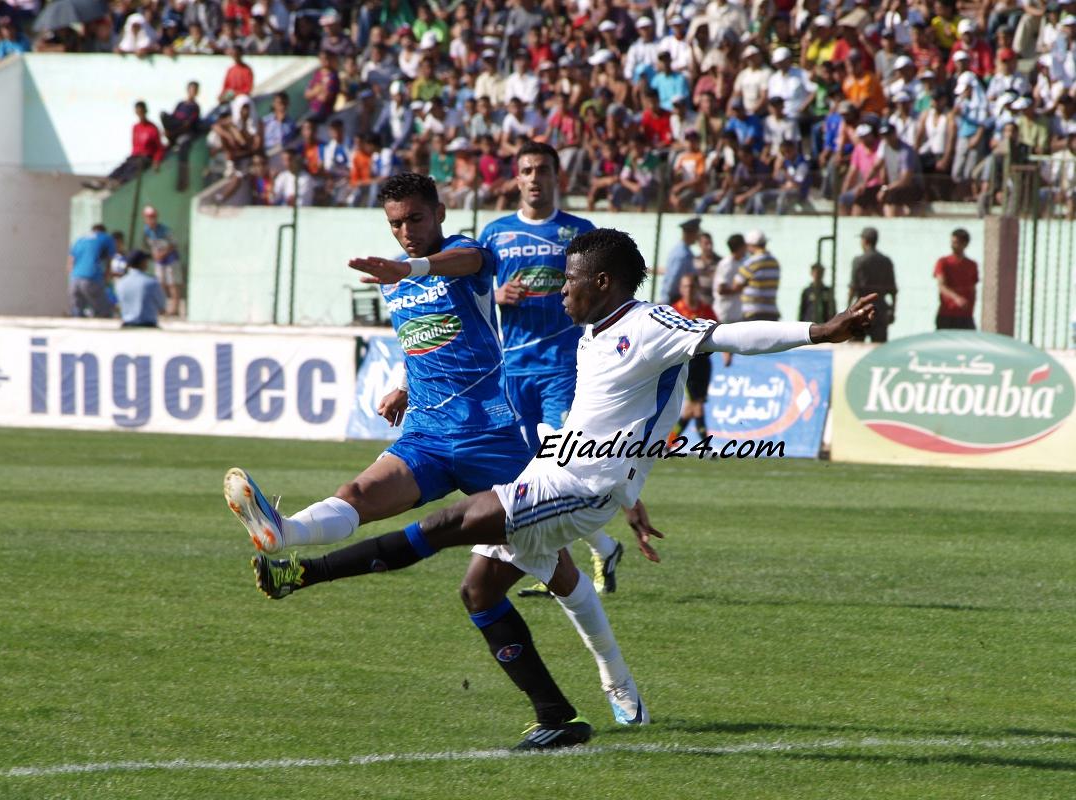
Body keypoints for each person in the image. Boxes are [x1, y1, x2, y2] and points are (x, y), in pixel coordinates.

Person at [237, 227, 876, 748]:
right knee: (479, 589)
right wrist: (633, 491)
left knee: (446, 525)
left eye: (568, 278)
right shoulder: (592, 334)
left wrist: (820, 332)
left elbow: (729, 335)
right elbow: (617, 421)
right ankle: (566, 713)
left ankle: (302, 573)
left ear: (602, 282)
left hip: (581, 487)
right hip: (562, 472)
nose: (558, 287)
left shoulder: (649, 323)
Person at [224, 174, 648, 750]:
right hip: (426, 434)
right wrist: (402, 382)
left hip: (493, 437)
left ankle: (615, 678)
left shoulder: (463, 256)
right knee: (360, 492)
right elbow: (424, 338)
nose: (405, 233)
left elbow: (471, 259)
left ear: (440, 212)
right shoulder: (392, 280)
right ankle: (284, 530)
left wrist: (414, 267)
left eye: (415, 220)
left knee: (552, 566)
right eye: (396, 224)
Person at [479, 142, 624, 598]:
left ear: (557, 176)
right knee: (525, 473)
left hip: (563, 367)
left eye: (542, 169)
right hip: (512, 369)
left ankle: (572, 560)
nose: (534, 177)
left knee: (561, 462)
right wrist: (498, 295)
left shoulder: (579, 232)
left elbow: (606, 293)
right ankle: (599, 547)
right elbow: (475, 294)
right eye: (526, 170)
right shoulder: (495, 233)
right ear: (516, 179)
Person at [669, 272, 718, 444]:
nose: (689, 289)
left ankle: (668, 443)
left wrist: (727, 351)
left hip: (704, 363)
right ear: (681, 289)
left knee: (692, 407)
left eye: (691, 286)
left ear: (697, 288)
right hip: (687, 363)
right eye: (685, 286)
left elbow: (718, 330)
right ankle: (706, 445)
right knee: (697, 405)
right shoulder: (675, 310)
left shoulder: (705, 310)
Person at [849, 227, 897, 341]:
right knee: (879, 348)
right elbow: (893, 291)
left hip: (862, 307)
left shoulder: (858, 260)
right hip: (880, 308)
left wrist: (849, 311)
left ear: (865, 241)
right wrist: (892, 310)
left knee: (855, 345)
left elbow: (853, 287)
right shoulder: (886, 261)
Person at [726, 229, 781, 321]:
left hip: (753, 312)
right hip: (771, 312)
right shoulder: (774, 262)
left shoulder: (751, 262)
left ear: (750, 245)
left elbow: (736, 285)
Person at [67, 224, 116, 318]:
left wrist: (72, 276)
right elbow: (109, 260)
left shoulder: (80, 240)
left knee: (77, 313)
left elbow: (70, 261)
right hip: (92, 277)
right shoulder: (106, 238)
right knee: (104, 312)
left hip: (74, 279)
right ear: (103, 231)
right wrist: (106, 277)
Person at [934, 227, 978, 329]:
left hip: (965, 316)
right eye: (952, 242)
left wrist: (971, 308)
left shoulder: (972, 265)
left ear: (965, 244)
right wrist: (956, 298)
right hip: (947, 314)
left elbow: (973, 288)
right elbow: (941, 286)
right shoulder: (943, 262)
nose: (953, 246)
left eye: (956, 243)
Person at [141, 206, 182, 317]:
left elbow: (173, 244)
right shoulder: (147, 230)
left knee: (173, 284)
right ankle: (162, 307)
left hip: (170, 258)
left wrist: (163, 254)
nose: (151, 219)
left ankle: (175, 309)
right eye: (149, 217)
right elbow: (149, 245)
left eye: (153, 217)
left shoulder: (164, 229)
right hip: (159, 260)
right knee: (160, 284)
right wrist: (155, 254)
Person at [116, 250, 166, 328]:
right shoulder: (152, 282)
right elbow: (162, 306)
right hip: (148, 325)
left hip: (127, 325)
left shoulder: (120, 283)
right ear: (142, 263)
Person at [660, 217, 699, 305]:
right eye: (696, 233)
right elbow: (674, 278)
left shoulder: (685, 251)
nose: (697, 237)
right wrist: (668, 300)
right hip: (674, 299)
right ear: (690, 234)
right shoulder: (682, 254)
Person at [714, 233, 747, 326]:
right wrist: (738, 289)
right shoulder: (726, 264)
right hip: (725, 313)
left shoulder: (743, 261)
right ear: (740, 247)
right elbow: (721, 289)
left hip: (738, 313)